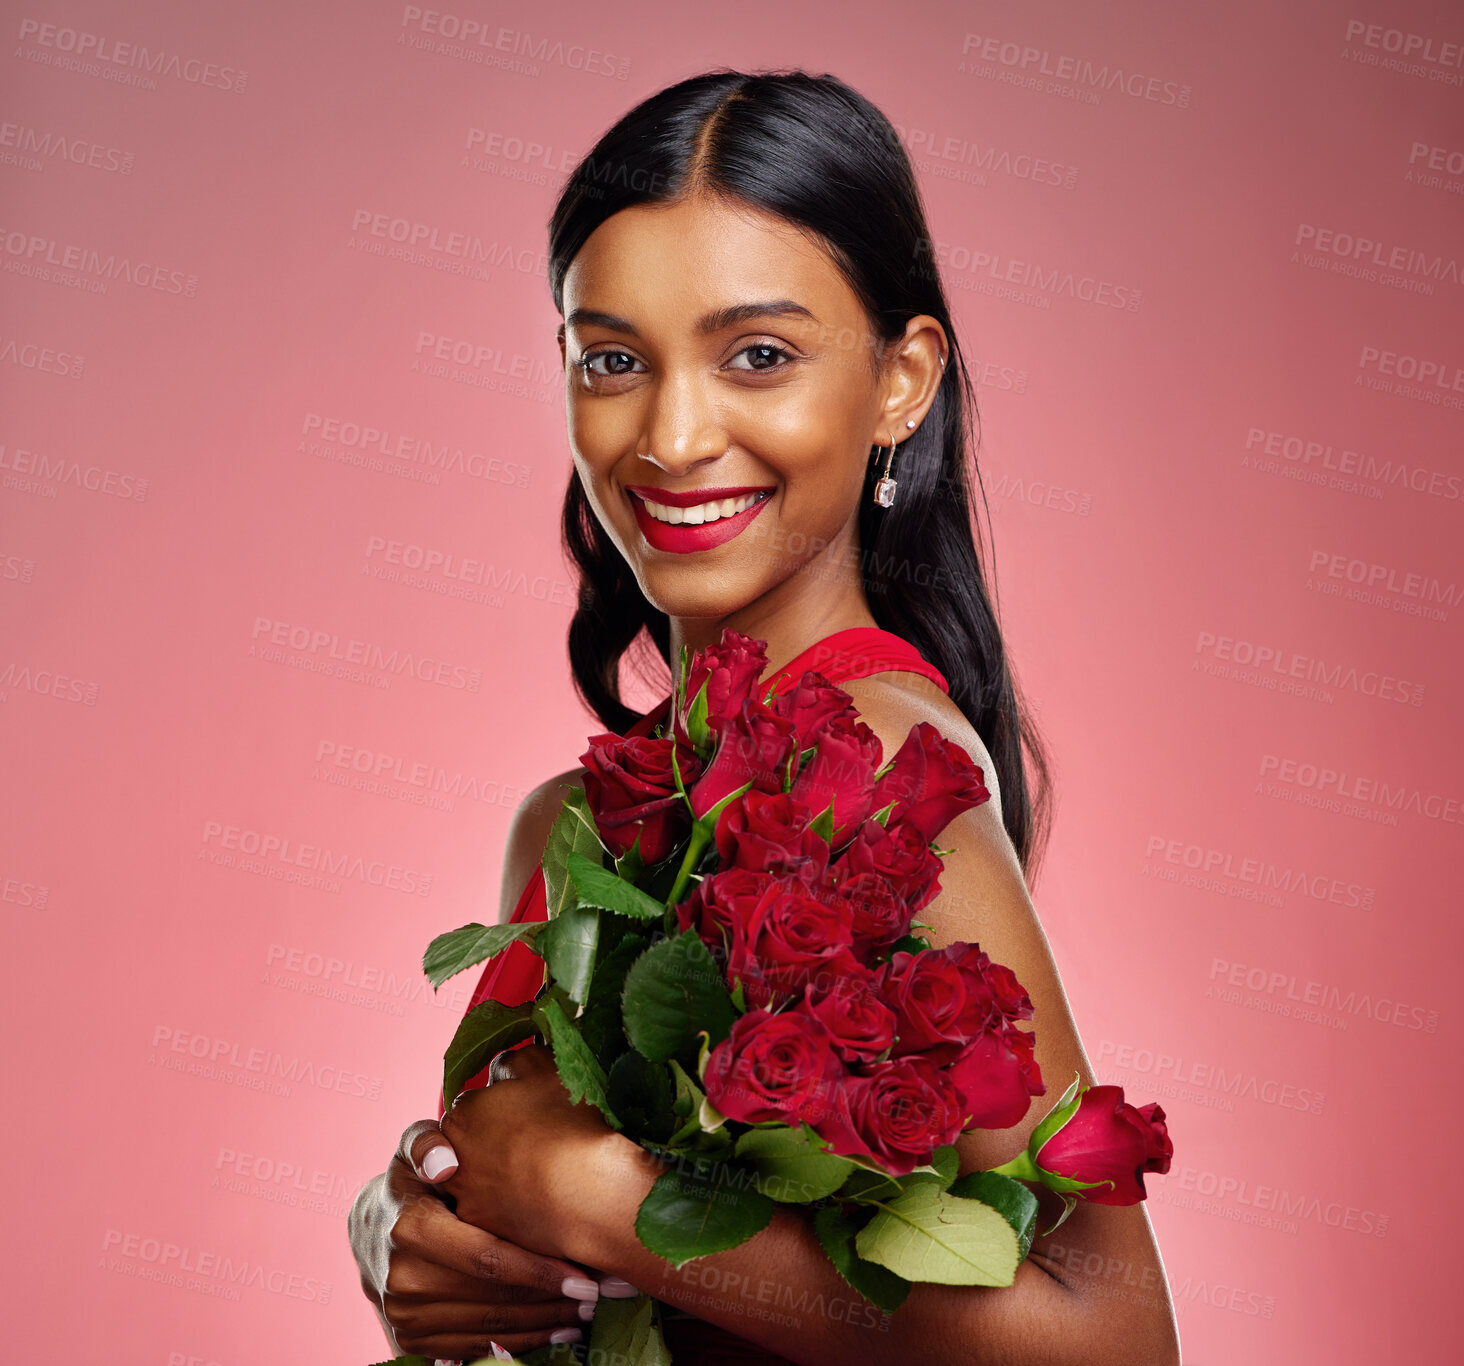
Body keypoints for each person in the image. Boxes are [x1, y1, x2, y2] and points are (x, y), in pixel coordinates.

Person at [348, 68, 1181, 1365]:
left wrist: (605, 1204)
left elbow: (1117, 1343)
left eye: (758, 355)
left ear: (902, 380)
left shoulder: (886, 765)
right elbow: (506, 1222)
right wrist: (404, 1220)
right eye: (613, 359)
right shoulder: (564, 827)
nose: (673, 436)